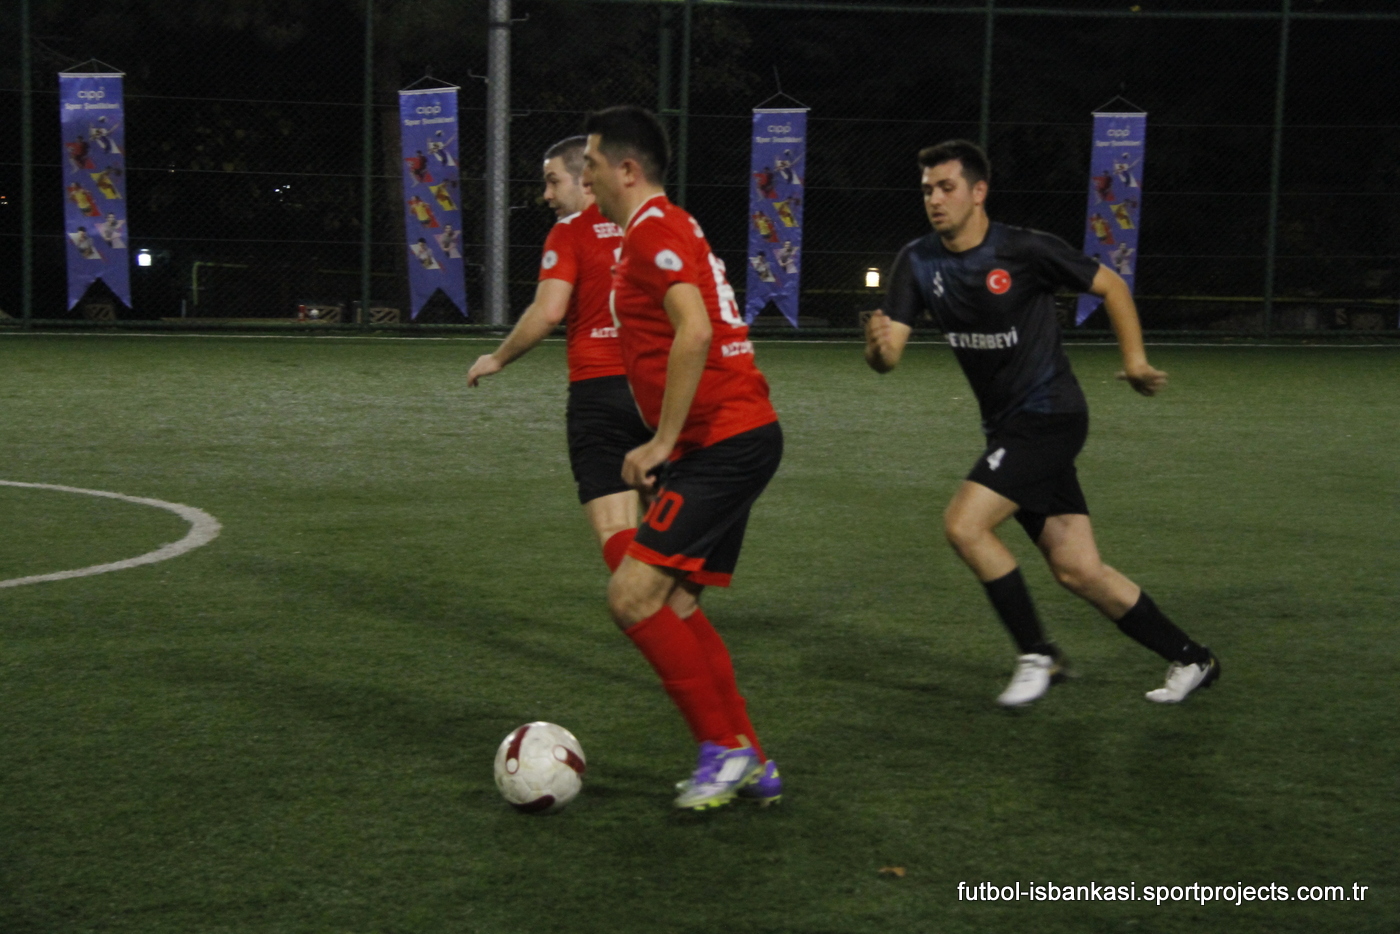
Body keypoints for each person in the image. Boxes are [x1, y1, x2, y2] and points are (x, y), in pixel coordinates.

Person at [864, 139, 1219, 707]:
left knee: (965, 526)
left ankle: (1038, 654)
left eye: (947, 187)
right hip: (1008, 428)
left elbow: (1111, 285)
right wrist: (878, 349)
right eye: (927, 190)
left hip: (1051, 415)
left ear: (979, 192)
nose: (935, 199)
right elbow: (889, 358)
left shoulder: (1024, 249)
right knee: (1078, 569)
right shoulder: (918, 261)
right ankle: (1193, 658)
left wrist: (1134, 362)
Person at [582, 106, 784, 809]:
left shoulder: (652, 231)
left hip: (722, 441)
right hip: (732, 437)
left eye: (592, 165)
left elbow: (693, 331)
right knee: (677, 602)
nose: (586, 177)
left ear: (627, 169)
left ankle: (722, 750)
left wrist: (663, 442)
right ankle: (752, 757)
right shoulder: (668, 225)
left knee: (631, 596)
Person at [467, 136, 651, 567]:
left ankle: (648, 605)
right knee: (668, 522)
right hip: (663, 387)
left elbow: (549, 311)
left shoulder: (570, 231)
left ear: (586, 179)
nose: (547, 195)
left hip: (601, 390)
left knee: (616, 527)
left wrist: (497, 358)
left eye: (553, 181)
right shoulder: (656, 225)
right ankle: (674, 604)